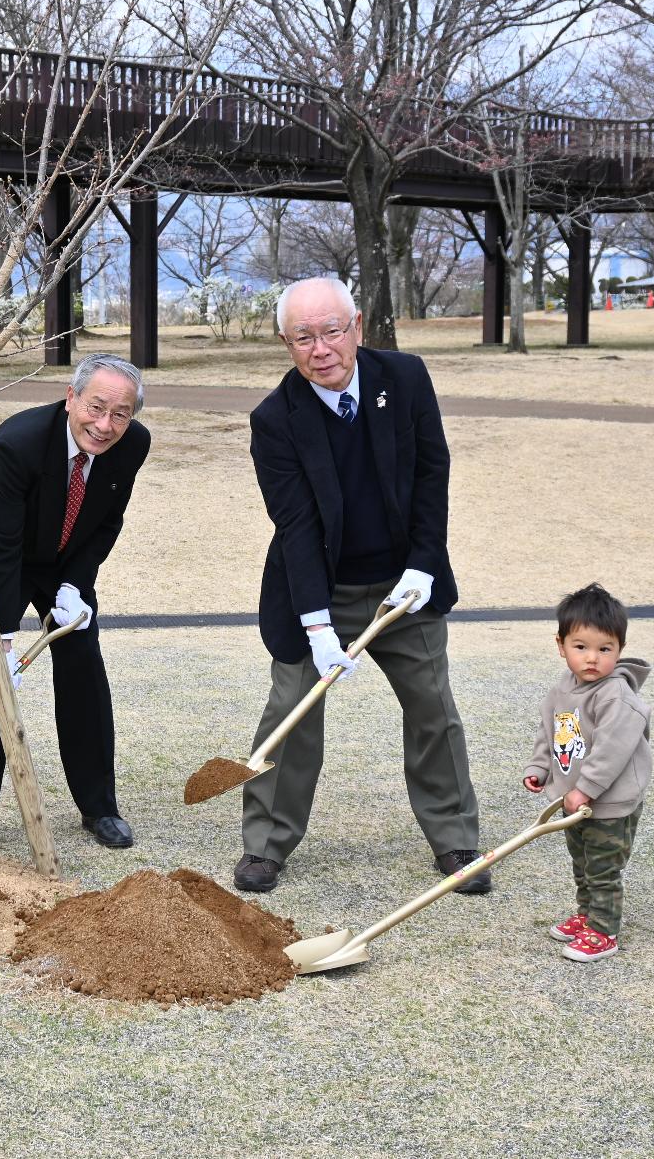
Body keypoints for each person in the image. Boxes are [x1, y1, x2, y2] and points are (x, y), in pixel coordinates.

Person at [233, 277, 483, 894]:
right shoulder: (274, 420)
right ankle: (266, 844)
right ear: (287, 344)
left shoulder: (405, 378)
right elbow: (295, 526)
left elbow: (432, 473)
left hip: (405, 583)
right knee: (291, 709)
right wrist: (316, 624)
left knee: (433, 707)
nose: (321, 349)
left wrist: (423, 565)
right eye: (303, 337)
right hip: (319, 586)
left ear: (358, 327)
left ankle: (455, 841)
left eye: (332, 331)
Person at [0, 354, 151, 851]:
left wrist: (76, 584)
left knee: (83, 665)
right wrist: (4, 638)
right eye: (95, 407)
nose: (104, 425)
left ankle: (99, 806)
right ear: (71, 397)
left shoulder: (132, 445)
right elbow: (0, 546)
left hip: (64, 563)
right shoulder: (19, 441)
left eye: (120, 414)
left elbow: (105, 522)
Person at [523, 583, 652, 963]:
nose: (592, 658)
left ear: (619, 650)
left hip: (609, 802)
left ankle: (604, 930)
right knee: (581, 861)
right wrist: (540, 767)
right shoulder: (561, 689)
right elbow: (552, 733)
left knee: (603, 866)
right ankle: (587, 914)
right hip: (572, 799)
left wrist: (587, 787)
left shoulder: (617, 697)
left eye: (605, 649)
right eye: (581, 647)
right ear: (560, 645)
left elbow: (612, 750)